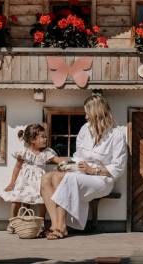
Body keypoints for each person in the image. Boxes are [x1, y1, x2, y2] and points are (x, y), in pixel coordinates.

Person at [41, 95, 127, 239]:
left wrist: (92, 170)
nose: (85, 116)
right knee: (48, 178)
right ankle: (56, 224)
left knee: (68, 179)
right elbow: (78, 157)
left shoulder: (116, 135)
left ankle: (61, 227)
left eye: (87, 112)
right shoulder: (84, 129)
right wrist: (67, 166)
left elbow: (118, 168)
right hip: (80, 173)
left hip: (102, 179)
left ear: (96, 112)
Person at [0, 124, 63, 233]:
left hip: (40, 181)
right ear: (33, 140)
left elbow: (59, 161)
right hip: (24, 180)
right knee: (16, 199)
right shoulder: (24, 151)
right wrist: (12, 183)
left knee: (43, 200)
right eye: (42, 137)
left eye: (45, 136)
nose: (45, 139)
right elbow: (17, 167)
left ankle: (41, 222)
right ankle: (12, 222)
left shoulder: (46, 153)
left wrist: (68, 164)